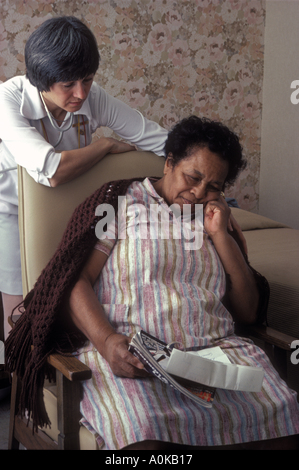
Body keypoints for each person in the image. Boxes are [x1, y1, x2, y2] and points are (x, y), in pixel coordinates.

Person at [63, 116, 298, 450]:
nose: (200, 193)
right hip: (132, 352)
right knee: (144, 433)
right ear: (169, 162)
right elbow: (75, 281)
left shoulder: (214, 219)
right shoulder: (121, 203)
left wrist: (220, 235)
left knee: (285, 415)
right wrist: (108, 342)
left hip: (213, 353)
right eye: (193, 177)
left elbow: (246, 312)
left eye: (214, 186)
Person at [0, 16, 168, 340]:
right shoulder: (8, 100)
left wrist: (199, 167)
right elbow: (52, 170)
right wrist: (104, 145)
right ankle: (15, 375)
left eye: (87, 80)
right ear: (41, 80)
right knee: (19, 314)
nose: (80, 94)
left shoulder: (91, 96)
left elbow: (155, 138)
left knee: (71, 295)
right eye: (68, 85)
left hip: (70, 209)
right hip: (10, 211)